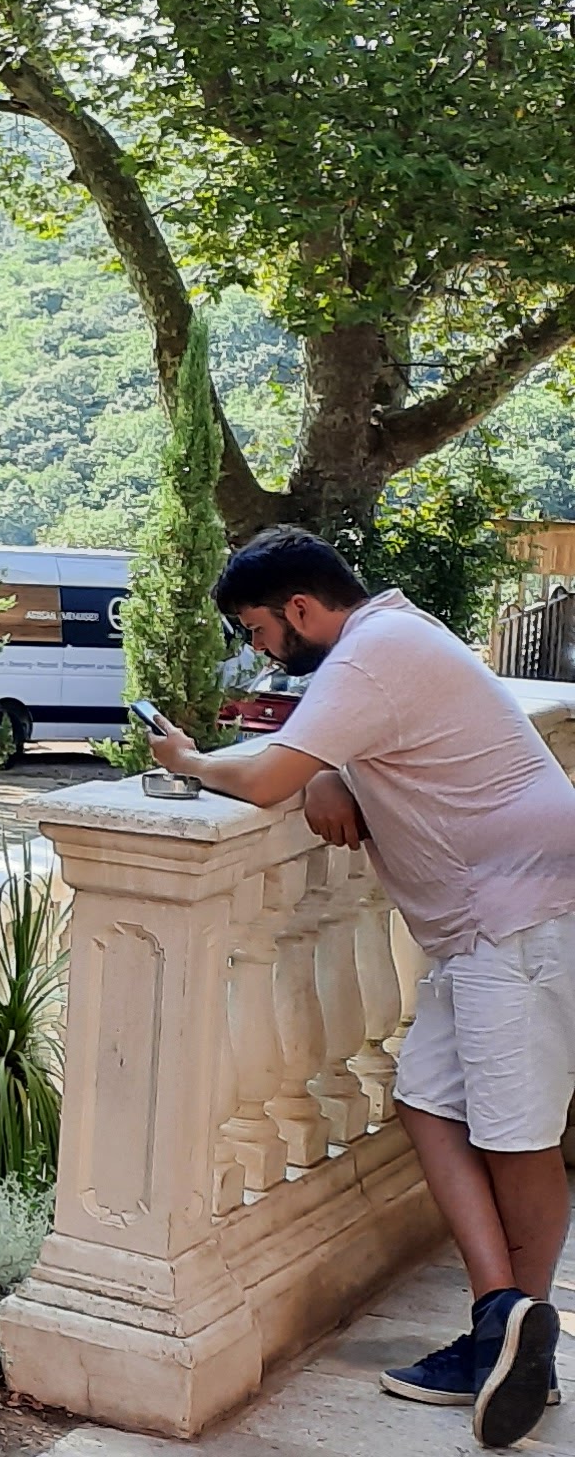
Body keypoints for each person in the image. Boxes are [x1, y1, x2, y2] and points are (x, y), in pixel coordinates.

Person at [149, 526, 575, 1448]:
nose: (260, 649)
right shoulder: (394, 636)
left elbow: (266, 777)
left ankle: (519, 1340)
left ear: (300, 608)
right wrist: (333, 769)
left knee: (518, 1136)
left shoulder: (373, 651)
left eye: (259, 629)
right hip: (486, 922)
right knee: (426, 1101)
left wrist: (187, 761)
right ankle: (505, 1325)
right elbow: (348, 745)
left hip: (524, 917)